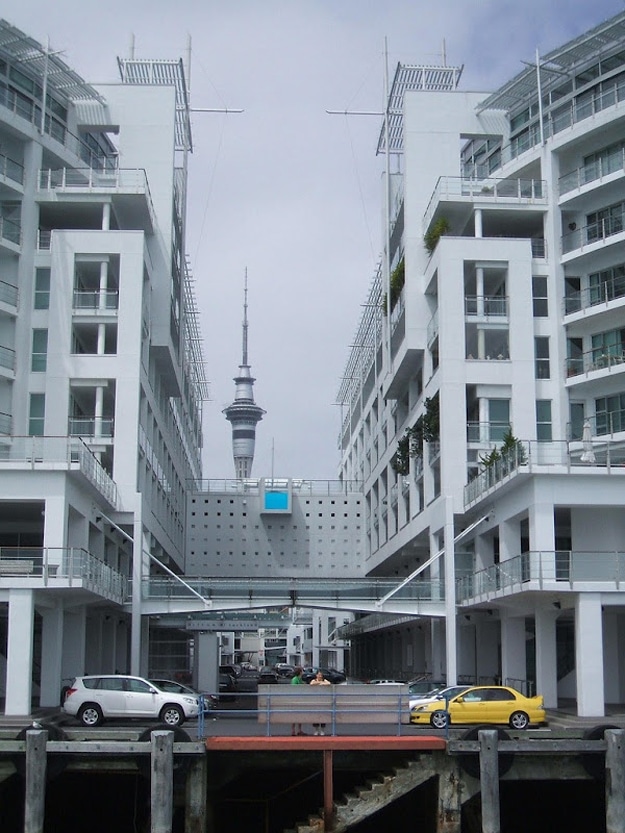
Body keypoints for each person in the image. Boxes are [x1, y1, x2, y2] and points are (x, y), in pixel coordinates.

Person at [309, 670, 331, 735]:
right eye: (318, 674)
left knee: (323, 716)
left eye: (321, 675)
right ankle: (316, 730)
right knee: (315, 716)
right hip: (315, 701)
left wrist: (321, 683)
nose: (320, 676)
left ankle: (322, 730)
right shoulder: (314, 681)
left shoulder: (324, 680)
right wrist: (319, 683)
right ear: (316, 675)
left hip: (323, 701)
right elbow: (311, 683)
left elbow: (328, 683)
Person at [290, 666, 306, 736]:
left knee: (300, 715)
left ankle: (299, 730)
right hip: (295, 699)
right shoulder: (295, 679)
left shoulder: (299, 679)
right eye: (302, 671)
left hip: (300, 699)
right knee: (294, 715)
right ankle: (293, 730)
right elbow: (294, 689)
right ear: (300, 672)